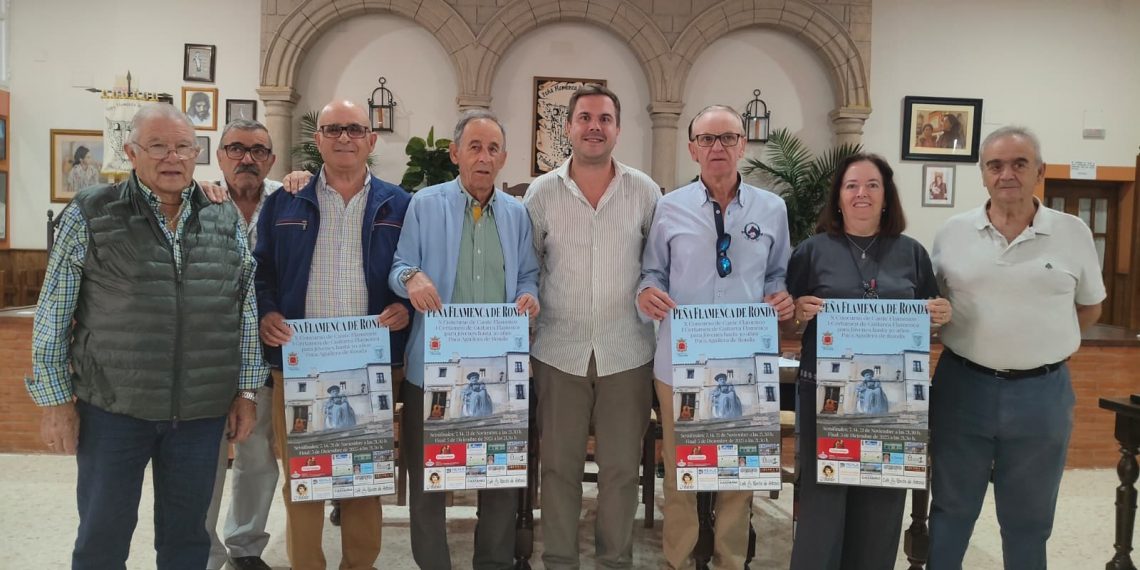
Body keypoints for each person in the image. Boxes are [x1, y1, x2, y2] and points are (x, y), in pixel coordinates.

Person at [26, 102, 267, 570]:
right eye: (157, 146)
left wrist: (246, 391)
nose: (171, 157)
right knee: (102, 537)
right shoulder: (91, 212)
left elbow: (244, 308)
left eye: (182, 147)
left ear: (197, 153)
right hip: (114, 410)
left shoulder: (223, 217)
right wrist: (55, 403)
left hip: (200, 413)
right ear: (131, 152)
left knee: (187, 542)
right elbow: (53, 312)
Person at [928, 126, 1104, 570]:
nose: (1007, 173)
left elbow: (1090, 309)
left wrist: (1041, 347)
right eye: (996, 165)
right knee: (950, 510)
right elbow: (935, 306)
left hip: (1040, 396)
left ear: (1039, 171)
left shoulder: (1073, 233)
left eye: (1019, 164)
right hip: (962, 390)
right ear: (983, 175)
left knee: (1029, 519)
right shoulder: (952, 233)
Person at [254, 98, 411, 570]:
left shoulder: (398, 203)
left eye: (355, 129)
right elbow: (260, 272)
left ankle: (358, 565)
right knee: (302, 475)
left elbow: (415, 268)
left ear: (371, 139)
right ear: (317, 139)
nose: (345, 137)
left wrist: (403, 307)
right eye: (333, 128)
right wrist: (267, 312)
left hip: (371, 362)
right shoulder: (285, 201)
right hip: (300, 360)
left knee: (365, 476)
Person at [637, 104, 794, 569]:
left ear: (743, 145)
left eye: (727, 137)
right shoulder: (669, 207)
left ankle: (730, 559)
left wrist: (780, 297)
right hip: (680, 360)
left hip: (746, 361)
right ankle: (679, 559)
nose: (717, 147)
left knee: (740, 468)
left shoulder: (772, 209)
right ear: (692, 149)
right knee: (682, 466)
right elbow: (652, 273)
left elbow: (778, 274)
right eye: (707, 139)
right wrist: (648, 292)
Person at [389, 109, 539, 569]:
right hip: (432, 367)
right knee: (428, 479)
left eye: (493, 149)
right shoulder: (425, 204)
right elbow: (398, 267)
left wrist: (529, 297)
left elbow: (529, 275)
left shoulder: (516, 213)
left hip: (498, 369)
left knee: (497, 478)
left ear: (504, 158)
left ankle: (491, 562)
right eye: (474, 147)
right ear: (455, 153)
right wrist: (412, 278)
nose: (484, 157)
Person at [787, 152, 952, 570]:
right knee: (823, 500)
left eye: (872, 185)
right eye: (851, 185)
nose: (862, 193)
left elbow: (927, 318)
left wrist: (940, 315)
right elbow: (788, 322)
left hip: (894, 399)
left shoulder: (912, 253)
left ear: (886, 196)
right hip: (825, 390)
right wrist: (798, 311)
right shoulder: (812, 251)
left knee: (882, 498)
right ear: (838, 198)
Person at [523, 84, 660, 569]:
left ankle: (614, 560)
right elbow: (529, 267)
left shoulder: (645, 191)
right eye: (584, 117)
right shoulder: (541, 193)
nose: (594, 126)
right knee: (558, 467)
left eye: (604, 118)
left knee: (621, 469)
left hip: (628, 350)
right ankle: (560, 559)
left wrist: (650, 288)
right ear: (568, 128)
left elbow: (657, 265)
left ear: (618, 129)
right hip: (559, 350)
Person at [204, 118, 282, 570]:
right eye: (235, 148)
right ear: (219, 156)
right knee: (204, 458)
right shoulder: (199, 201)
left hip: (266, 352)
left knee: (257, 456)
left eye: (257, 150)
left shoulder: (289, 199)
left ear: (271, 159)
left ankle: (245, 546)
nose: (246, 158)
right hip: (208, 354)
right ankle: (206, 551)